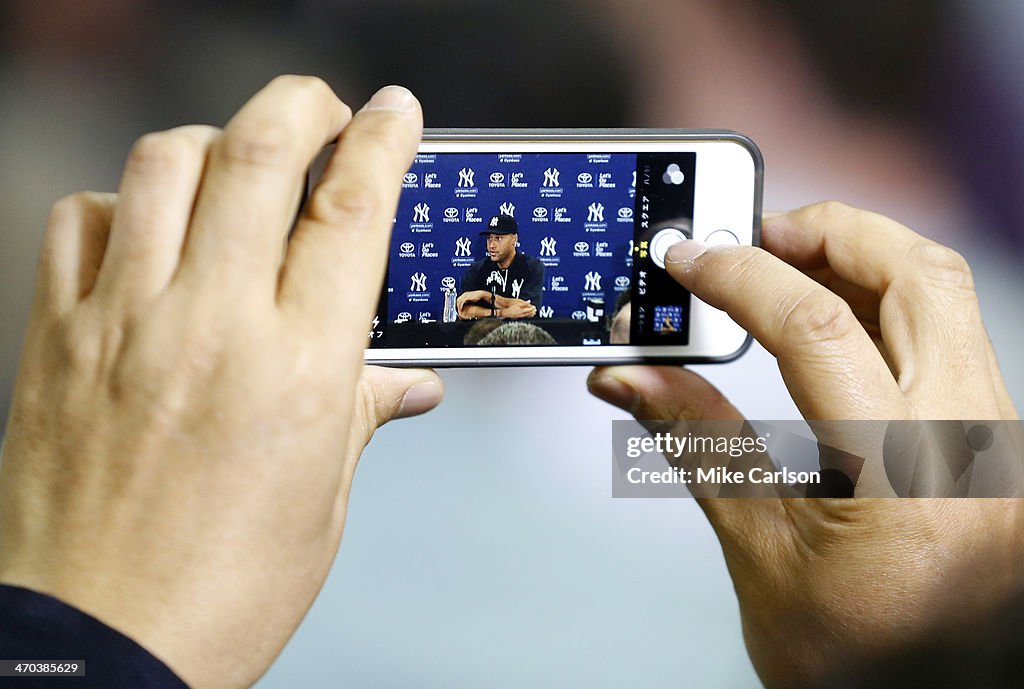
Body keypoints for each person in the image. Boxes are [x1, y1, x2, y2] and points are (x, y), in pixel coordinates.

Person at [0, 77, 1020, 689]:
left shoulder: (406, 510)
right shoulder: (985, 340)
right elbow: (868, 479)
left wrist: (86, 629)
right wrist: (951, 623)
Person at [455, 213, 544, 320]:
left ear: (514, 239)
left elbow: (527, 308)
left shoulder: (532, 267)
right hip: (485, 334)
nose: (491, 245)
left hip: (521, 334)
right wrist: (502, 313)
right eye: (489, 238)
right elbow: (464, 311)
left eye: (498, 238)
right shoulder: (477, 269)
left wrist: (484, 295)